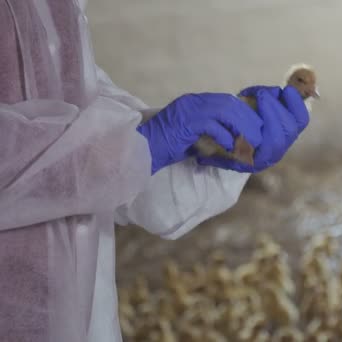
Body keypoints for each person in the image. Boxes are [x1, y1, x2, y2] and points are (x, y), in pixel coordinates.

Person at [0, 1, 309, 341]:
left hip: (83, 320)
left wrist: (209, 149)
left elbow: (104, 161)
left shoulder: (56, 12)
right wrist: (138, 147)